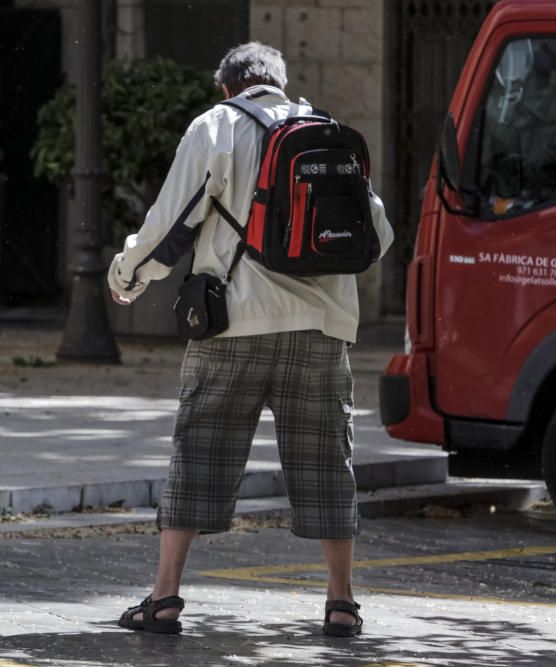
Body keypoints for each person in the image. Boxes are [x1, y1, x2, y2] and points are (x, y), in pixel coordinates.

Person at [107, 42, 394, 637]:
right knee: (325, 466)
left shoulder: (216, 126)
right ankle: (341, 604)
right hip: (322, 331)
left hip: (233, 325)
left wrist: (127, 277)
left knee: (198, 455)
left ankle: (164, 599)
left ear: (227, 86)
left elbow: (171, 221)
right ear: (282, 85)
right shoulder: (326, 132)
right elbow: (380, 234)